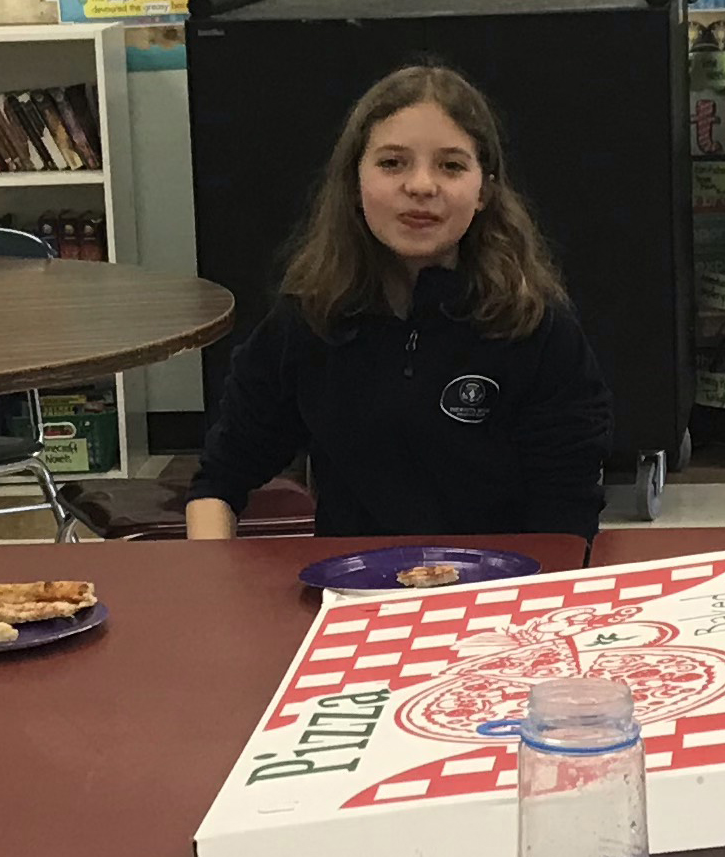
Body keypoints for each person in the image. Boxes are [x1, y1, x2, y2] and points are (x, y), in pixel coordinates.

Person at [186, 62, 609, 543]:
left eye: (451, 165)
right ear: (353, 183)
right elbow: (219, 481)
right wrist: (209, 576)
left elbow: (567, 523)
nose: (422, 186)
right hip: (350, 594)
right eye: (392, 163)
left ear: (485, 190)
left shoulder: (537, 328)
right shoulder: (307, 320)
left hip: (501, 598)